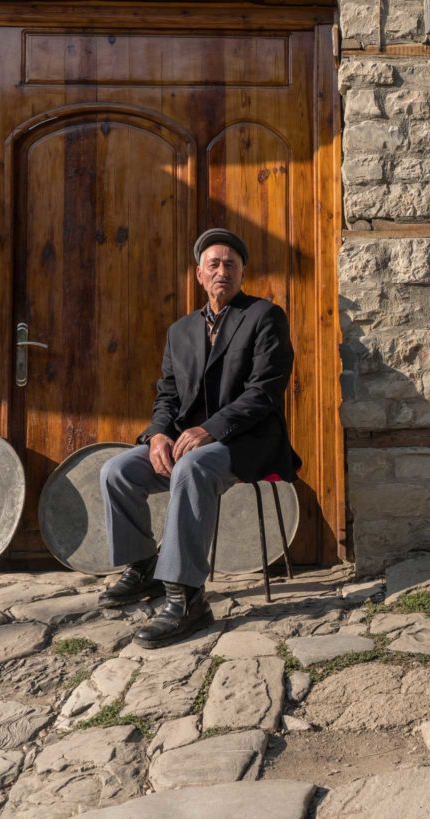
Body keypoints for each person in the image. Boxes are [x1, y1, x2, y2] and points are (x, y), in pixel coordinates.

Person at [98, 228, 300, 648]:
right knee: (116, 470)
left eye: (230, 264)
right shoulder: (181, 331)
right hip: (187, 443)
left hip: (246, 442)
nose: (222, 270)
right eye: (214, 264)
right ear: (199, 275)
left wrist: (211, 429)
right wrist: (156, 436)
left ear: (242, 273)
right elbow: (167, 395)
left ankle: (187, 598)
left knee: (191, 466)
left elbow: (264, 391)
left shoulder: (264, 316)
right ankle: (143, 567)